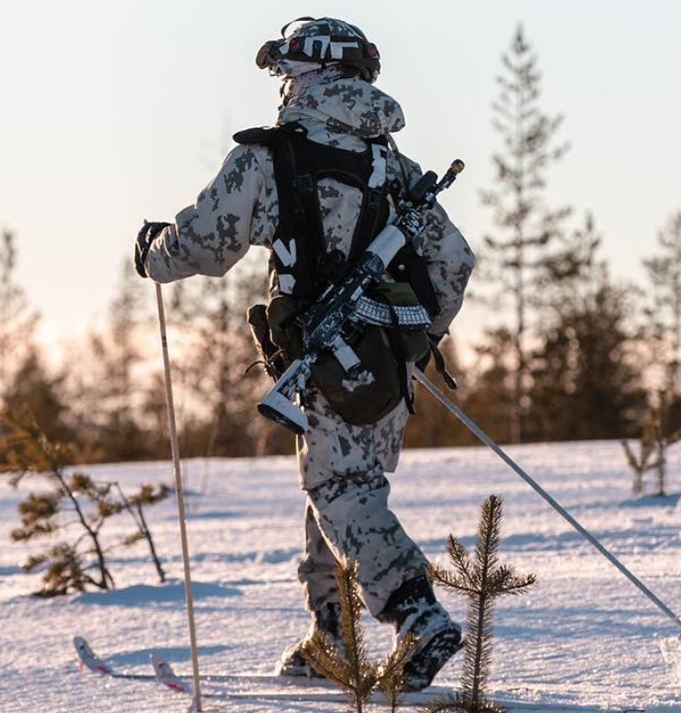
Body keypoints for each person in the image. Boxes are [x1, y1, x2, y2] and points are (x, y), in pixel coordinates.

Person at [133, 16, 475, 691]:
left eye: (287, 74)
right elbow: (455, 260)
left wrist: (153, 252)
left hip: (322, 363)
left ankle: (416, 611)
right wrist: (414, 338)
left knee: (338, 490)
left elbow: (204, 242)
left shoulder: (273, 156)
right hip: (385, 371)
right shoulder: (394, 168)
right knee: (341, 490)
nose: (283, 88)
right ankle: (333, 637)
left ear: (310, 75)